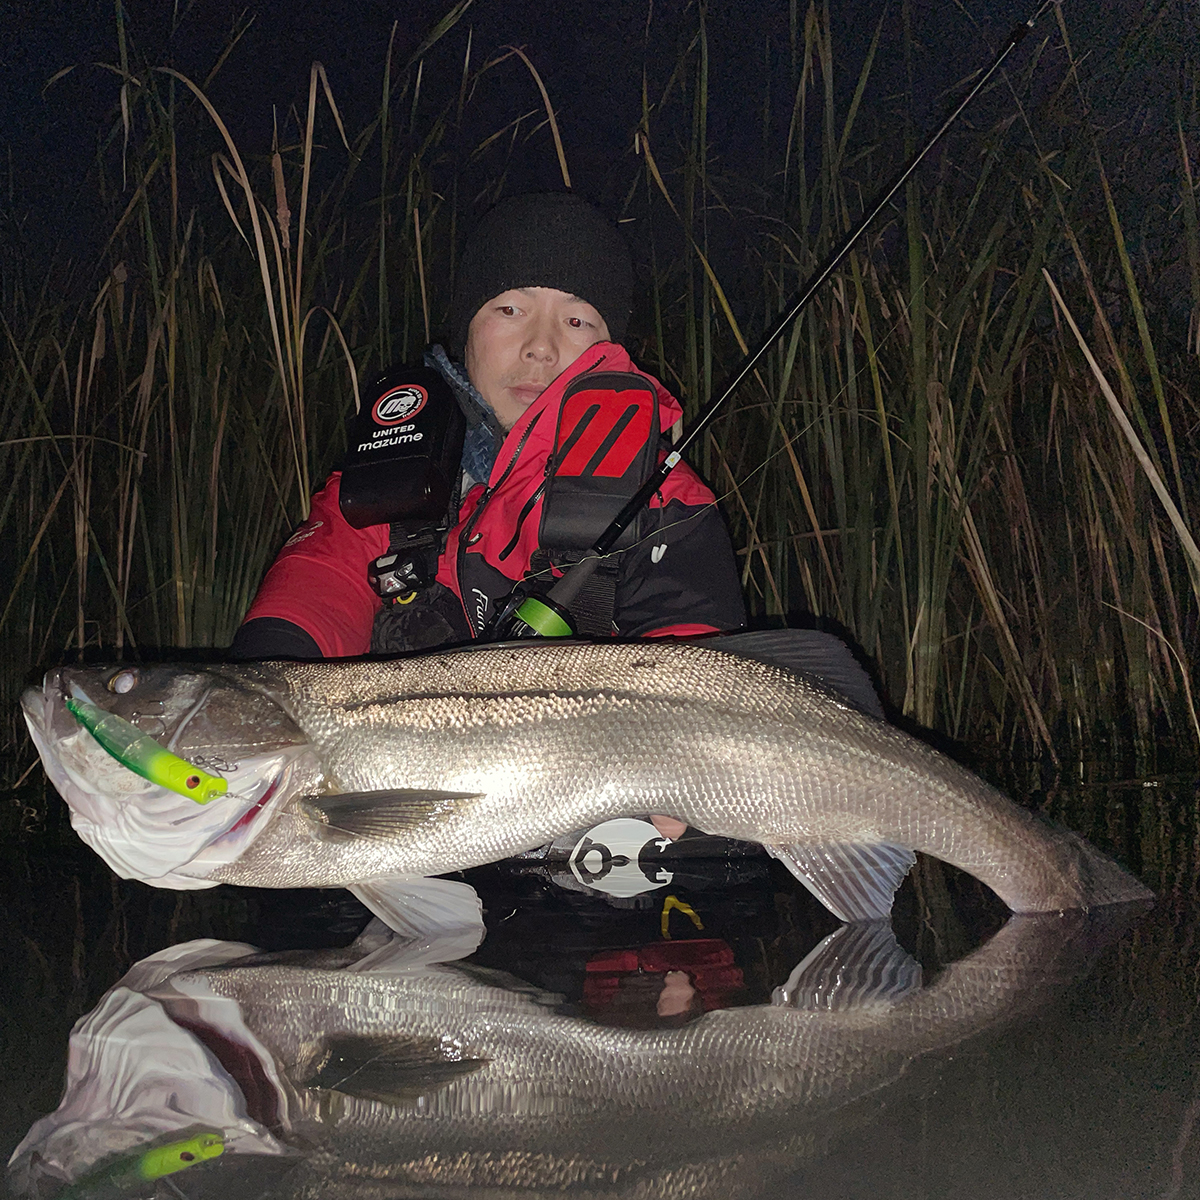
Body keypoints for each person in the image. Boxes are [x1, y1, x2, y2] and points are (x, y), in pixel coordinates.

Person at [231, 191, 745, 664]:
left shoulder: (666, 499)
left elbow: (701, 675)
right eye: (510, 309)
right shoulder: (388, 466)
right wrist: (256, 690)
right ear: (467, 329)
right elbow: (316, 587)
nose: (540, 346)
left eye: (577, 321)